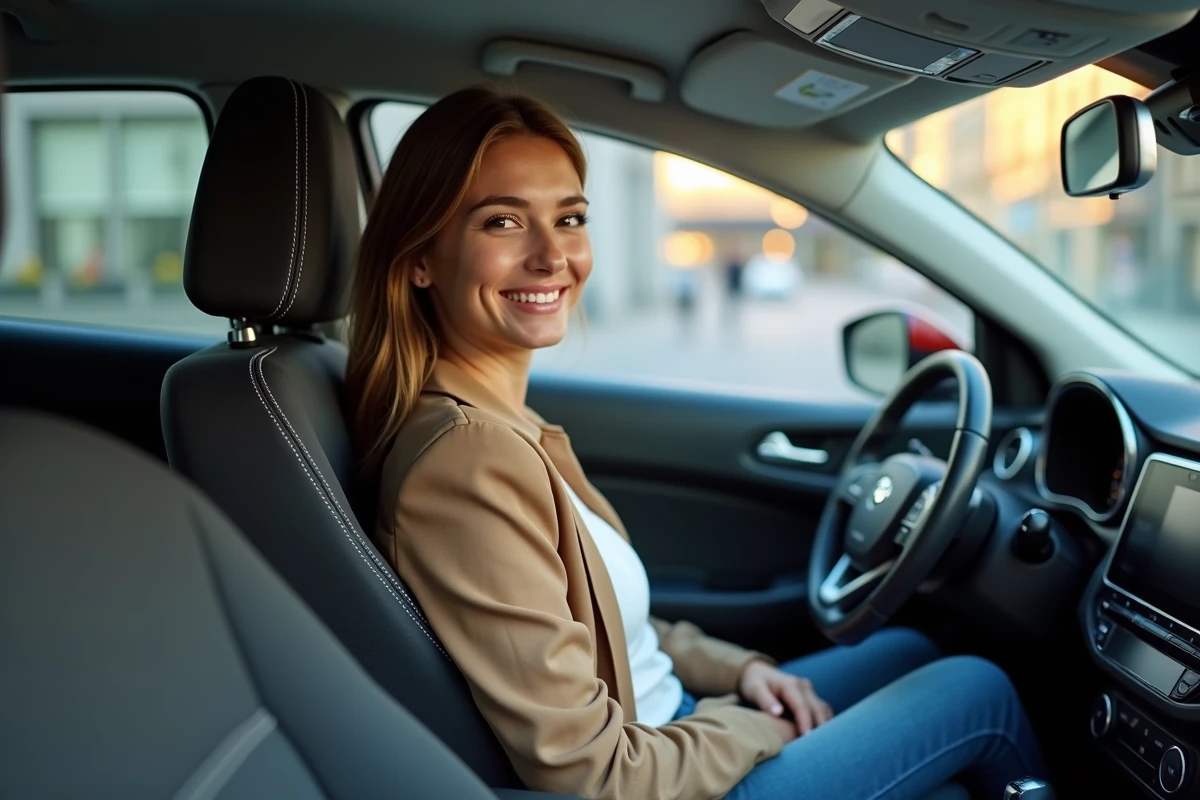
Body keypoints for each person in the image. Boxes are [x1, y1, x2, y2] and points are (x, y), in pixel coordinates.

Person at [347, 87, 1045, 800]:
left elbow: (607, 629)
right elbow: (589, 770)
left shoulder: (504, 425)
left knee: (908, 651)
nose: (553, 255)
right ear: (420, 258)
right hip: (665, 778)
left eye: (570, 218)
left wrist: (739, 671)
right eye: (503, 222)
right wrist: (749, 728)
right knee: (977, 688)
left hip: (673, 732)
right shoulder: (467, 459)